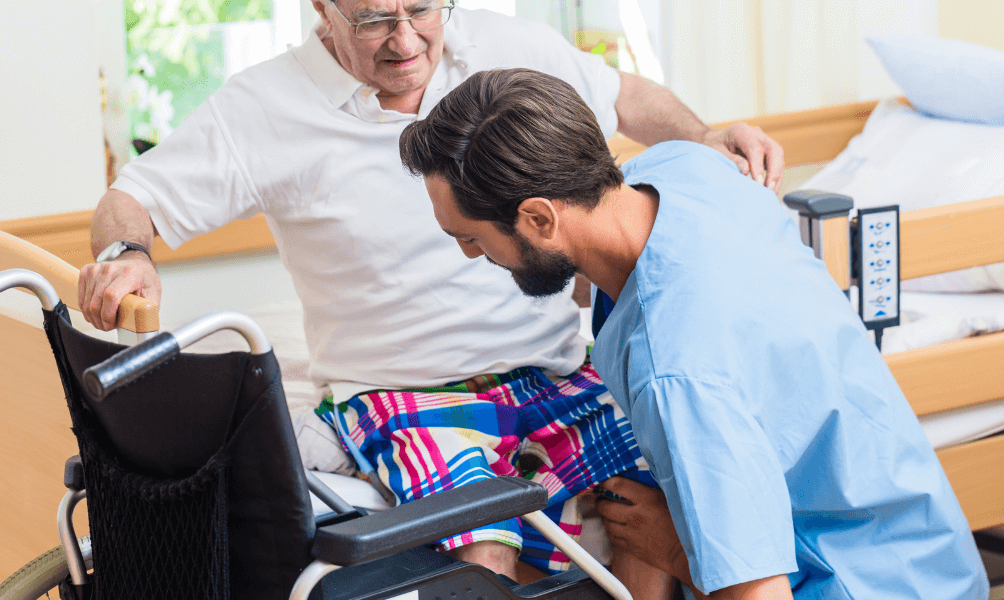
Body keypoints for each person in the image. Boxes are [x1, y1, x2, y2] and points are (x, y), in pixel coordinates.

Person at [78, 0, 781, 587]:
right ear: (322, 10)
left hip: (554, 369)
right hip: (403, 391)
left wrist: (705, 138)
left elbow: (625, 97)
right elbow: (131, 198)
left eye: (421, 8)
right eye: (375, 19)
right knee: (482, 537)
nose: (406, 38)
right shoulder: (263, 107)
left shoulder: (506, 44)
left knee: (647, 491)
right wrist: (125, 254)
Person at [398, 67, 989, 599]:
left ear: (539, 219)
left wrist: (682, 552)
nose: (470, 254)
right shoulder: (685, 167)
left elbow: (759, 596)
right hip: (932, 556)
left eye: (472, 238)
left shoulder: (676, 368)